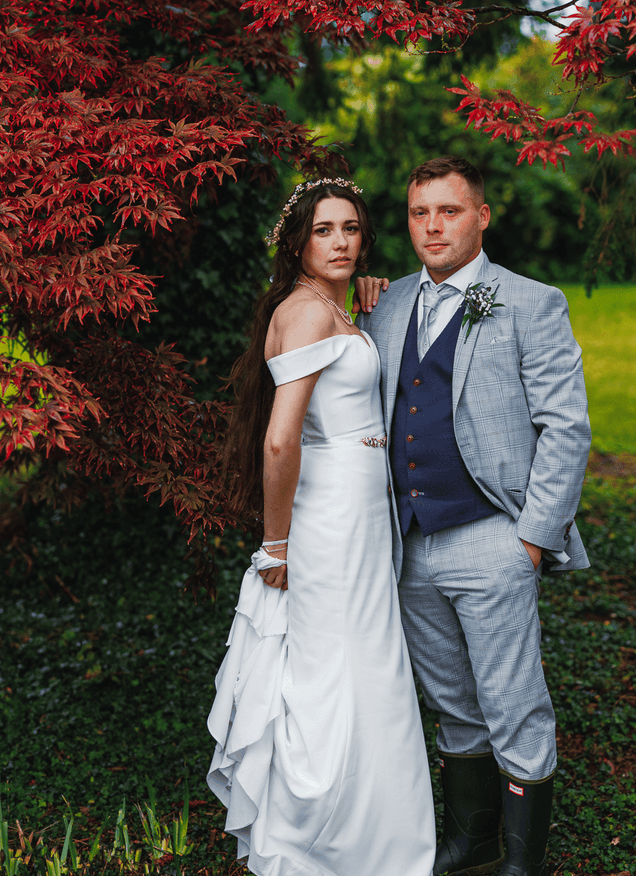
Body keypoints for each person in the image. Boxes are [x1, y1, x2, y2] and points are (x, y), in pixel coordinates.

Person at [356, 156, 591, 876]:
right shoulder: (385, 302)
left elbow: (566, 428)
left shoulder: (530, 302)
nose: (433, 226)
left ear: (481, 217)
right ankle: (473, 844)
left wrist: (532, 540)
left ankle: (522, 862)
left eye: (449, 211)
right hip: (410, 543)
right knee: (452, 700)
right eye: (419, 212)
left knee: (513, 702)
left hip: (493, 536)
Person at [207, 178, 436, 876]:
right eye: (324, 230)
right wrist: (275, 545)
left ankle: (375, 834)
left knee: (364, 662)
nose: (341, 242)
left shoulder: (327, 306)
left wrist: (365, 302)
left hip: (362, 511)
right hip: (331, 515)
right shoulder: (306, 314)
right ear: (297, 242)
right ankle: (326, 839)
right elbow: (281, 440)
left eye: (351, 229)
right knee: (338, 667)